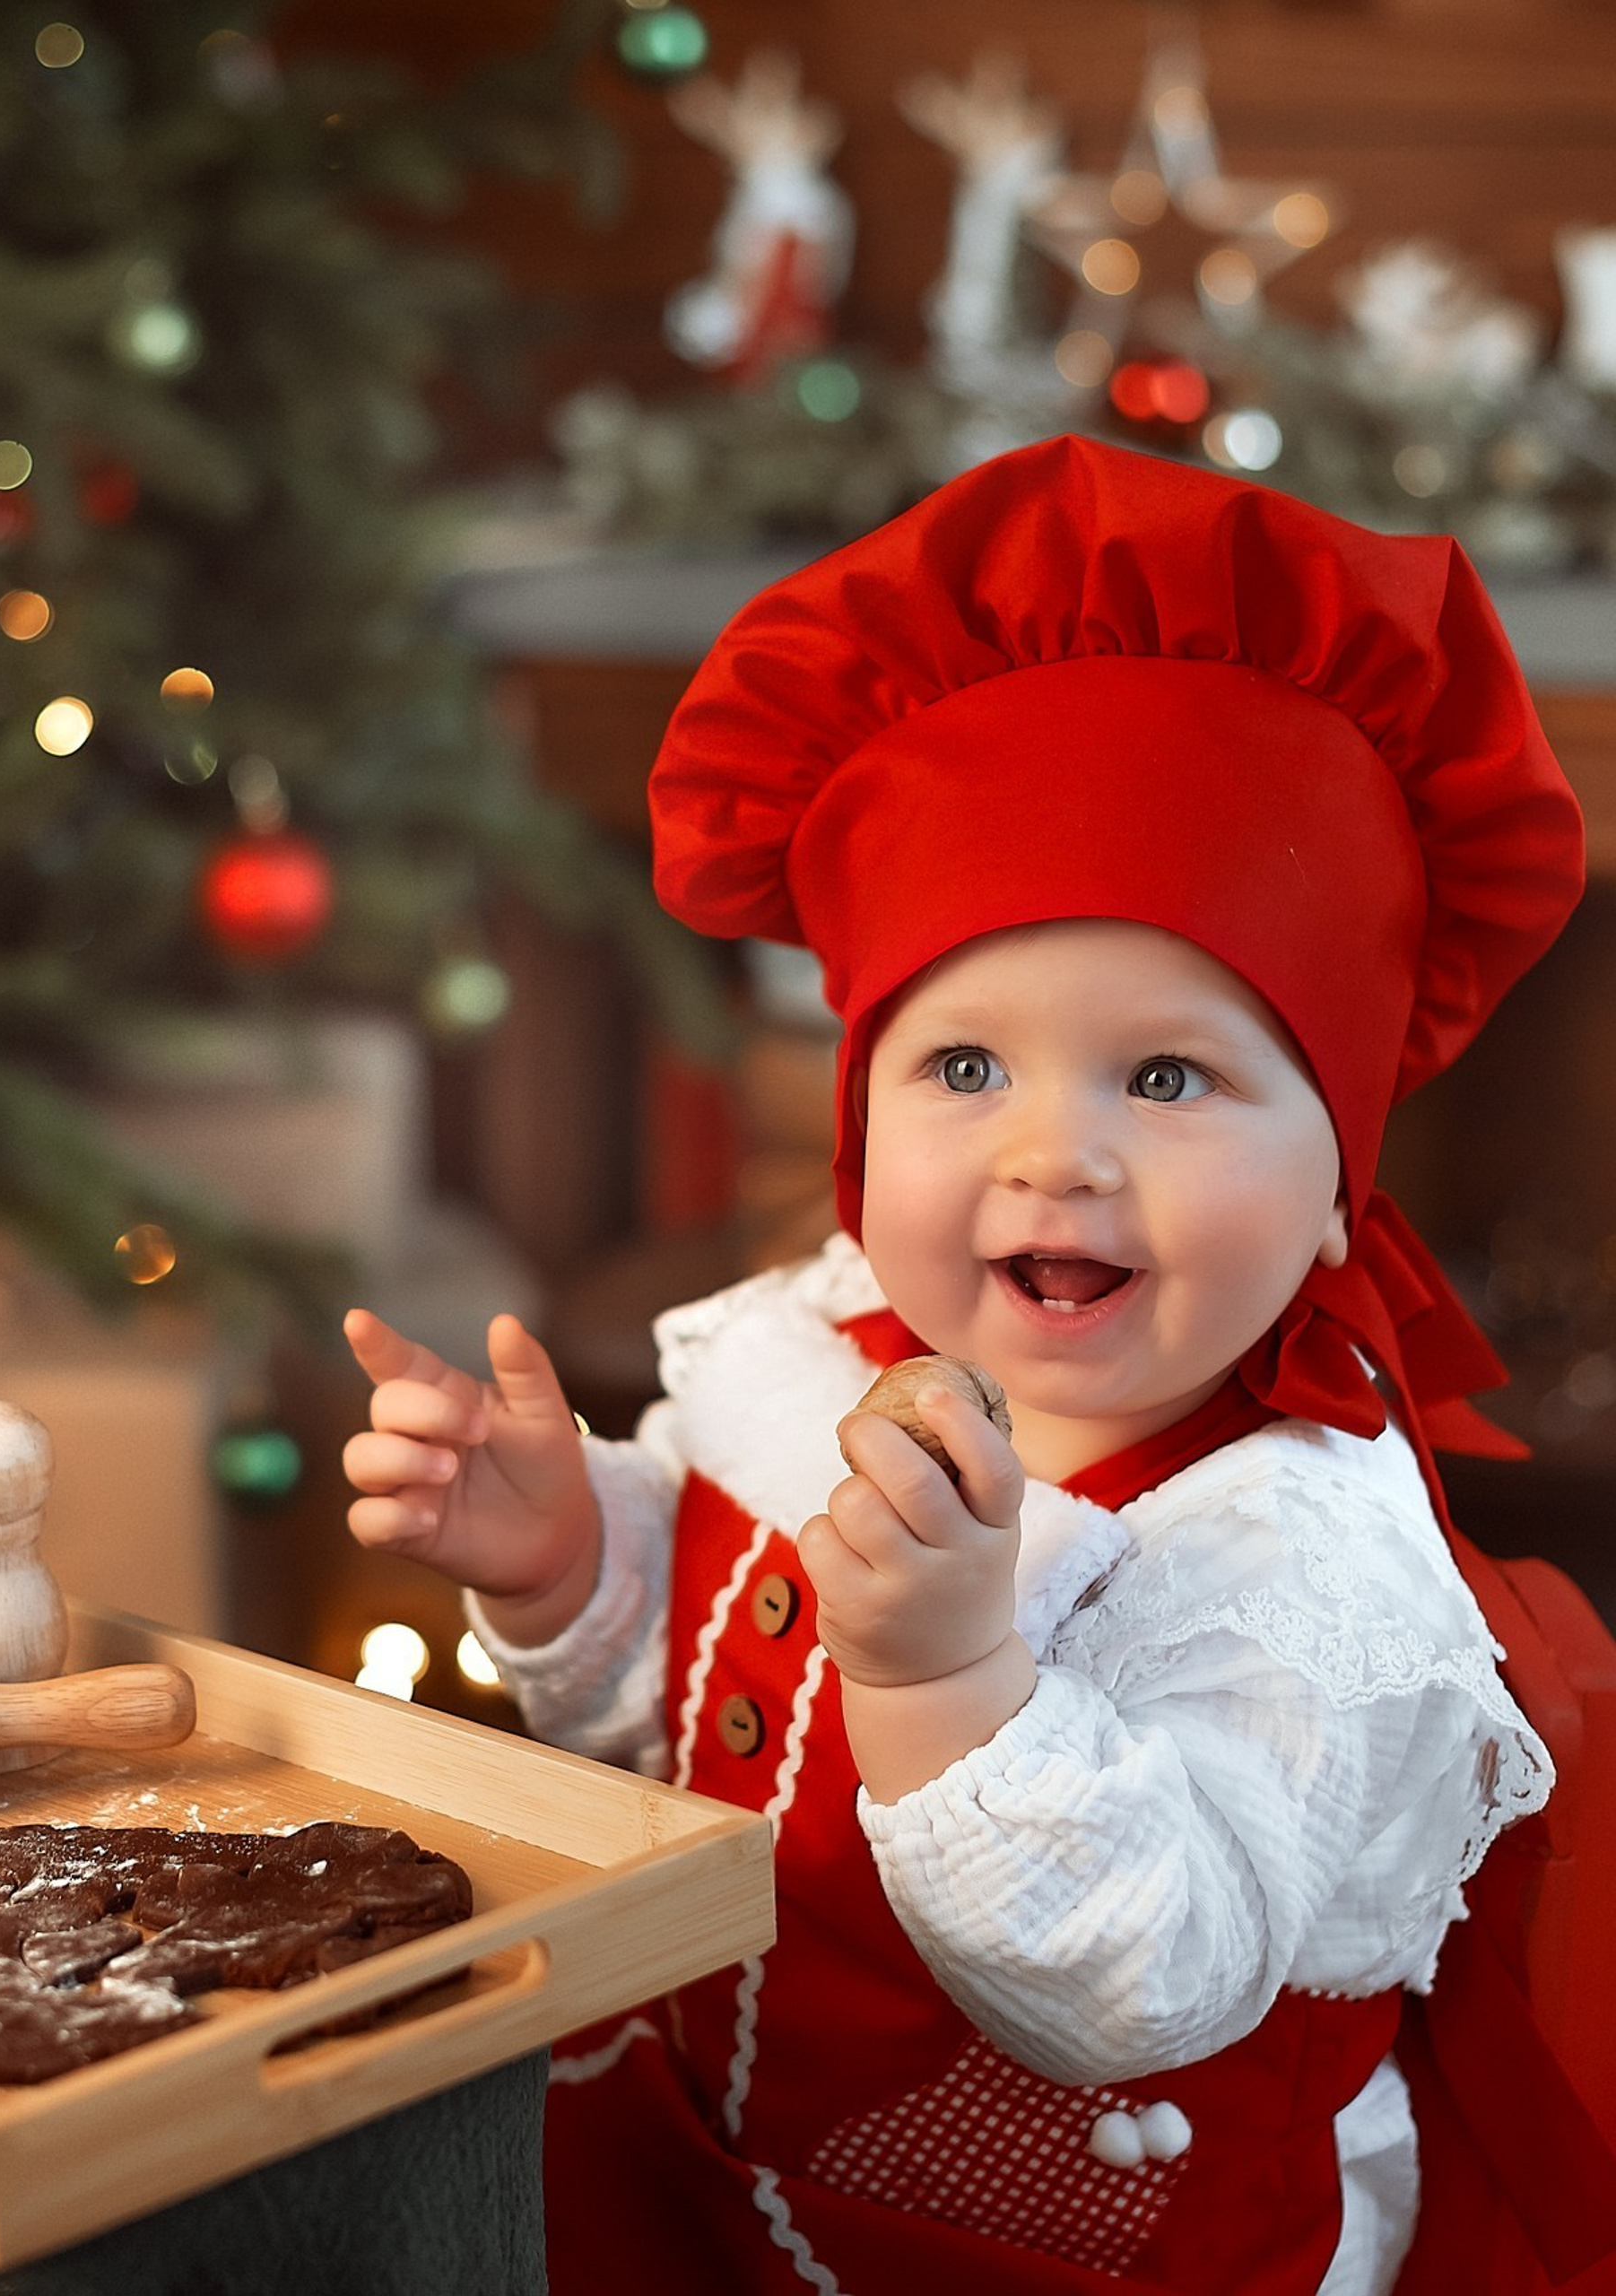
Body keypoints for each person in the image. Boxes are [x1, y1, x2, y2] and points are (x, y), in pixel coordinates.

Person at [340, 434, 1600, 2294]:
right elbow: (697, 1725)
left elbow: (1146, 1977)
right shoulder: (813, 1354)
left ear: (1341, 1189)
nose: (1052, 1152)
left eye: (1165, 1075)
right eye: (963, 1065)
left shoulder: (1305, 1568)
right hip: (695, 2180)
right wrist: (575, 1560)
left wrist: (947, 1676)